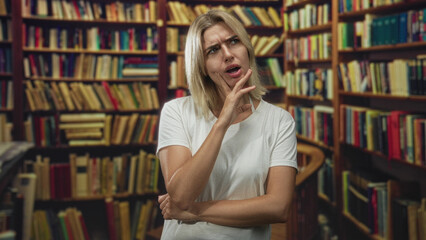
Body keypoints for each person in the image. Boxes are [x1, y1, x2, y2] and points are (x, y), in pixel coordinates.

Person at [156, 9, 298, 240]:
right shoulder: (177, 111)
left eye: (234, 41)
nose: (228, 54)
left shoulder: (279, 121)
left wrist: (194, 210)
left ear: (247, 49)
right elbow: (181, 195)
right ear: (201, 66)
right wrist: (222, 124)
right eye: (213, 50)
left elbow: (277, 207)